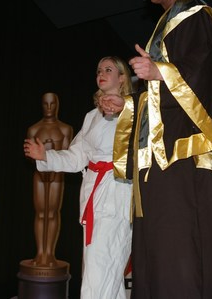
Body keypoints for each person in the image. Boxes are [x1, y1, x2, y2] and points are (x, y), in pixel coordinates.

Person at [99, 0, 212, 298]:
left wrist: (160, 72)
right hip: (156, 160)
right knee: (155, 249)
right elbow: (159, 99)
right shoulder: (166, 23)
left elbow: (201, 72)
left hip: (179, 153)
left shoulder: (195, 14)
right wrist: (128, 104)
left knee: (178, 246)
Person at [24, 56, 134, 299]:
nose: (101, 74)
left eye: (108, 70)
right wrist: (46, 156)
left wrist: (127, 107)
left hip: (116, 194)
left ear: (122, 78)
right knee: (105, 275)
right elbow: (76, 157)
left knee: (100, 272)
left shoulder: (134, 110)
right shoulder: (91, 116)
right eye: (98, 70)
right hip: (93, 195)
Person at [25, 92, 74, 267]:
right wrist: (37, 154)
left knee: (53, 213)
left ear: (57, 105)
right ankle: (40, 253)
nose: (49, 107)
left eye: (52, 103)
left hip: (57, 176)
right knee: (40, 213)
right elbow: (29, 156)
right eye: (45, 103)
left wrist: (51, 149)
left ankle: (50, 254)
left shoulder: (65, 129)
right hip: (39, 175)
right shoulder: (34, 129)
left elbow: (67, 156)